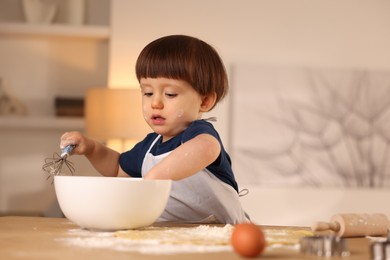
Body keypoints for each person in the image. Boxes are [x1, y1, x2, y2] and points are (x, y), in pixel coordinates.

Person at [60, 35, 249, 224]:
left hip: (224, 236)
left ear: (205, 101)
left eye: (170, 94)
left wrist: (155, 177)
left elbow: (206, 149)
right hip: (171, 239)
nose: (155, 103)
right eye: (148, 93)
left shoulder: (198, 134)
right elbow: (117, 168)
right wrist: (92, 148)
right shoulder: (149, 147)